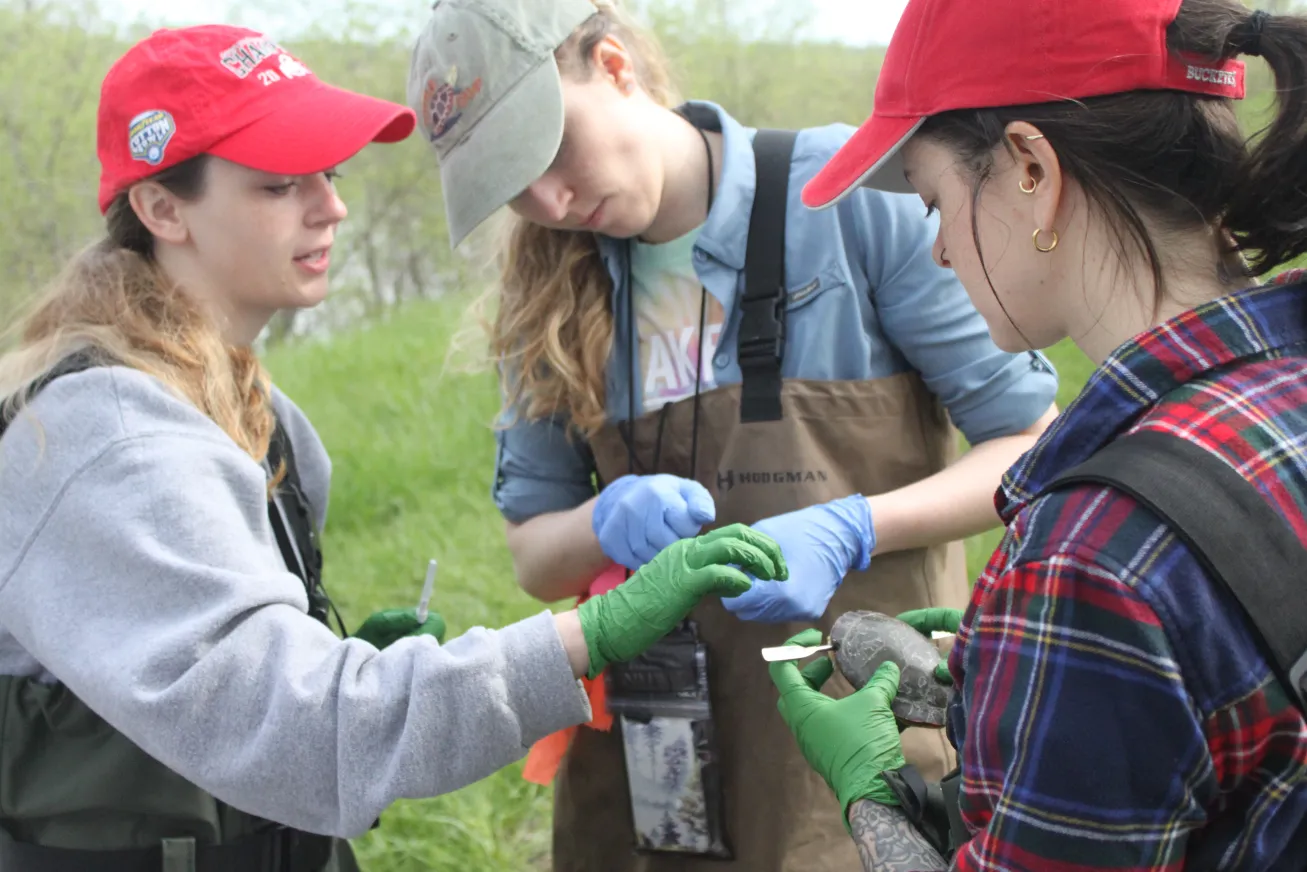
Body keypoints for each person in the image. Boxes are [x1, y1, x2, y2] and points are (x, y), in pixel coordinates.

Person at [0, 23, 790, 872]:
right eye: (279, 185)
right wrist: (588, 637)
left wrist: (331, 657)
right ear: (161, 208)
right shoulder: (111, 438)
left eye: (329, 175)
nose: (331, 207)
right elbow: (309, 732)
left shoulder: (262, 414)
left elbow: (247, 702)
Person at [406, 1, 1060, 869]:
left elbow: (1030, 452)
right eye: (509, 183)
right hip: (649, 765)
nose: (549, 200)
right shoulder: (546, 296)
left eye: (550, 152)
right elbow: (535, 556)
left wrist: (853, 525)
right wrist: (602, 524)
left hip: (847, 749)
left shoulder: (846, 195)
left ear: (612, 65)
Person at [769, 0, 1307, 868]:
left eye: (934, 199)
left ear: (1030, 169)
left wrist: (872, 804)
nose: (940, 250)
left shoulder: (1091, 558)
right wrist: (1004, 670)